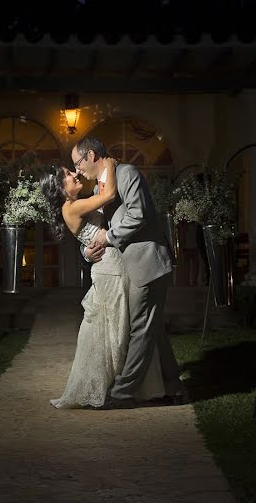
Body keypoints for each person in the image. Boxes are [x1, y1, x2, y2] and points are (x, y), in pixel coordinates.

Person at [40, 157, 166, 409]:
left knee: (121, 326)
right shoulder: (71, 207)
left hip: (116, 264)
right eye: (68, 173)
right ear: (59, 186)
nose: (75, 173)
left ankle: (125, 385)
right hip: (109, 270)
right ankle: (113, 387)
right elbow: (109, 195)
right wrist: (108, 164)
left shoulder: (78, 203)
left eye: (74, 168)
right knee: (112, 328)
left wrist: (86, 251)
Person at [74, 136, 183, 408]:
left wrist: (108, 238)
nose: (77, 170)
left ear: (91, 155)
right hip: (126, 269)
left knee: (140, 329)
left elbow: (138, 215)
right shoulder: (100, 187)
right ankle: (174, 388)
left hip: (147, 263)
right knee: (152, 329)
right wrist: (87, 252)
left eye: (77, 163)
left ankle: (123, 393)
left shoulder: (127, 173)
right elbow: (87, 232)